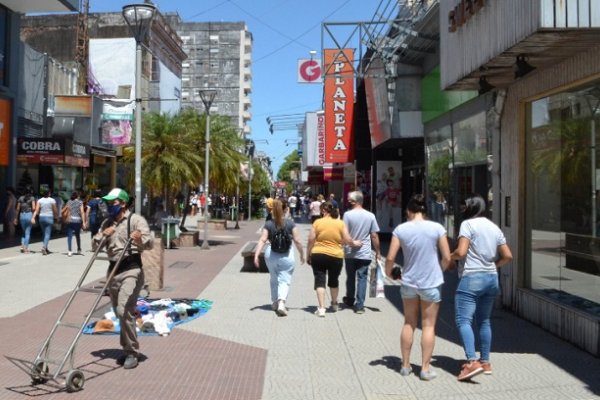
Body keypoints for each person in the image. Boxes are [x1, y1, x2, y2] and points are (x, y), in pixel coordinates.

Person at [385, 194, 451, 381]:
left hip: (409, 282)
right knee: (428, 326)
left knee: (409, 323)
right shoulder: (437, 228)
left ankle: (405, 366)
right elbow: (447, 257)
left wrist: (390, 273)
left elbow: (390, 258)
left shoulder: (401, 229)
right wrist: (440, 270)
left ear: (409, 211)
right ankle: (425, 368)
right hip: (431, 282)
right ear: (425, 211)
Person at [451, 194, 512, 381]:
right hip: (491, 278)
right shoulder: (494, 227)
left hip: (471, 277)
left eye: (464, 206)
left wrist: (449, 256)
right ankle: (485, 362)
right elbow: (508, 255)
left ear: (470, 208)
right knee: (484, 321)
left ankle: (471, 363)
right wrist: (494, 266)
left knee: (463, 320)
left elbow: (461, 252)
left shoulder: (468, 225)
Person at [92, 188, 152, 370]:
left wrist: (139, 238)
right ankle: (126, 349)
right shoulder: (107, 223)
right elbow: (94, 245)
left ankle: (132, 352)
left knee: (124, 308)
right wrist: (103, 235)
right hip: (113, 271)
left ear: (123, 203)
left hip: (131, 269)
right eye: (108, 203)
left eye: (113, 202)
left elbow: (149, 243)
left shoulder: (135, 220)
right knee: (120, 313)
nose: (110, 206)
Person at [306, 201, 362, 317]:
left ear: (323, 211)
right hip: (336, 256)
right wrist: (355, 243)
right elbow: (347, 239)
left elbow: (311, 239)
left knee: (319, 280)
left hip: (318, 254)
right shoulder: (340, 223)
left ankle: (321, 308)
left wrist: (308, 254)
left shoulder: (317, 222)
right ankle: (335, 304)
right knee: (334, 280)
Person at [254, 199, 305, 316]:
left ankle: (275, 302)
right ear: (286, 209)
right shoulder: (290, 224)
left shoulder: (269, 223)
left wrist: (256, 255)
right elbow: (297, 240)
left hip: (271, 255)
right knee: (284, 279)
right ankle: (281, 302)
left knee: (273, 278)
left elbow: (262, 239)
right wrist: (302, 254)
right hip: (287, 255)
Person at [342, 191, 381, 314]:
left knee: (350, 277)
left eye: (349, 199)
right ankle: (360, 305)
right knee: (362, 277)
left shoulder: (347, 215)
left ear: (355, 201)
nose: (348, 201)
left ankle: (349, 299)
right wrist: (378, 252)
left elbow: (345, 233)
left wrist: (352, 243)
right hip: (364, 252)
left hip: (350, 252)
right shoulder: (370, 216)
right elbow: (374, 235)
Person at [32, 189, 58, 255]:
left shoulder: (40, 200)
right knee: (47, 234)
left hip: (42, 218)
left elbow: (37, 210)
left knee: (44, 233)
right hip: (49, 217)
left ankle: (46, 248)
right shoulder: (52, 200)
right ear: (49, 193)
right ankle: (44, 247)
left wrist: (33, 217)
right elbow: (55, 210)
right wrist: (56, 217)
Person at [62, 191, 86, 256]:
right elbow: (82, 212)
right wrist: (83, 222)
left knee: (69, 236)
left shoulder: (69, 202)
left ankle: (69, 251)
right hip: (77, 221)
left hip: (70, 220)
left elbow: (63, 210)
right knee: (77, 236)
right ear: (78, 196)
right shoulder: (80, 202)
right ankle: (79, 249)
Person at [15, 188, 36, 253]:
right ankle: (25, 248)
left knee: (24, 232)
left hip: (22, 215)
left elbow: (18, 209)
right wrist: (33, 216)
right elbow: (33, 208)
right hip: (28, 215)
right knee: (27, 233)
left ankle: (22, 246)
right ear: (30, 192)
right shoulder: (32, 198)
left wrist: (16, 218)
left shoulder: (21, 198)